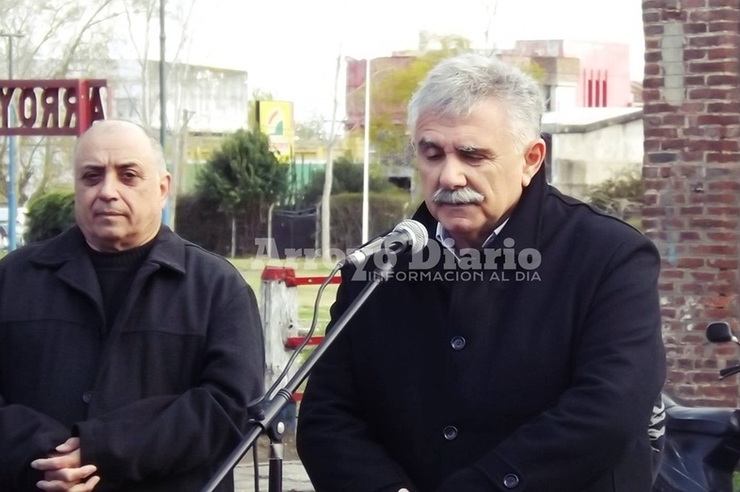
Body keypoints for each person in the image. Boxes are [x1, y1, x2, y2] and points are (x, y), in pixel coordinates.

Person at [296, 53, 666, 491]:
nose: (449, 176)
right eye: (432, 154)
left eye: (472, 155)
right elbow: (327, 415)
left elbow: (607, 412)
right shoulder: (378, 266)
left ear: (531, 159)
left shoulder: (610, 257)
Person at [0, 120, 265, 491]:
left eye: (128, 175)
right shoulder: (13, 279)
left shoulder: (217, 288)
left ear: (162, 188)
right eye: (92, 177)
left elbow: (229, 408)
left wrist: (101, 450)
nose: (108, 191)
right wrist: (43, 457)